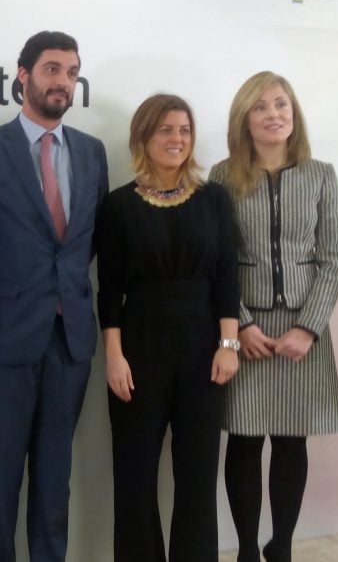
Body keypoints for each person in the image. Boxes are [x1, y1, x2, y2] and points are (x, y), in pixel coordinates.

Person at [0, 30, 109, 562]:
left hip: (70, 340)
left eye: (71, 72)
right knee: (0, 475)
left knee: (55, 474)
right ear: (22, 75)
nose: (62, 82)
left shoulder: (91, 153)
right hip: (3, 338)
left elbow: (87, 245)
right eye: (51, 69)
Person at [208, 72, 338, 562]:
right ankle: (246, 548)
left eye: (281, 105)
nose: (274, 115)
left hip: (304, 332)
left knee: (291, 441)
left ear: (294, 113)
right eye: (261, 107)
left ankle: (281, 545)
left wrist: (308, 328)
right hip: (245, 332)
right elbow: (218, 261)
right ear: (244, 119)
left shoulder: (321, 174)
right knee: (244, 443)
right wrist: (241, 325)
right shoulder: (223, 177)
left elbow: (333, 256)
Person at [97, 93, 240, 562]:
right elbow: (109, 290)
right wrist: (113, 356)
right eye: (165, 130)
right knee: (135, 476)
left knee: (197, 476)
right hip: (138, 352)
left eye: (184, 130)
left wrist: (228, 344)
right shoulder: (118, 205)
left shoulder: (215, 198)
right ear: (143, 136)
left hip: (203, 352)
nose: (176, 139)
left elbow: (226, 277)